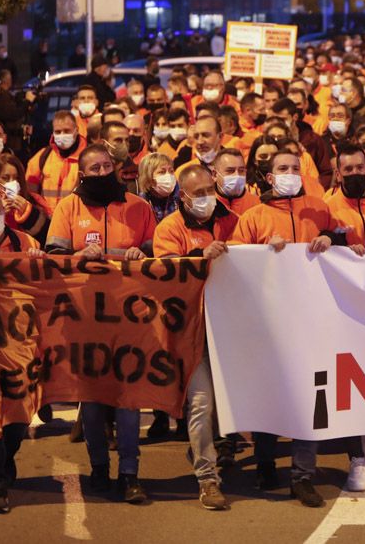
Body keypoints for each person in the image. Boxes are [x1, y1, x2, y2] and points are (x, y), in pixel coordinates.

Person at [230, 150, 365, 505]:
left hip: (313, 321)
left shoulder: (319, 207)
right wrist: (261, 249)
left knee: (310, 398)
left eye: (294, 168)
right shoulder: (253, 217)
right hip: (269, 323)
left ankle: (302, 477)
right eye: (282, 169)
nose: (290, 173)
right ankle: (264, 464)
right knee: (270, 394)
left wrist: (331, 241)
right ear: (269, 176)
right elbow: (234, 262)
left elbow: (347, 243)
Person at [45, 144, 156, 503]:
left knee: (127, 400)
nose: (101, 172)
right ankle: (98, 468)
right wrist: (78, 256)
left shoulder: (139, 208)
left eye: (107, 166)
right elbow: (54, 261)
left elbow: (162, 261)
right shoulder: (68, 207)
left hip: (130, 319)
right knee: (91, 403)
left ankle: (129, 473)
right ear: (82, 172)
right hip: (85, 323)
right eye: (94, 168)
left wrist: (144, 256)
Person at [153, 164, 237, 511]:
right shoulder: (168, 229)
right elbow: (166, 276)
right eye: (197, 193)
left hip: (232, 330)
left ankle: (223, 450)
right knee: (200, 404)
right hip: (192, 333)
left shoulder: (234, 220)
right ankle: (208, 479)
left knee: (227, 401)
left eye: (209, 190)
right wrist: (197, 259)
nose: (206, 198)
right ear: (182, 196)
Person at [0, 188, 45, 514]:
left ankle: (6, 455)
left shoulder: (26, 244)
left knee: (18, 417)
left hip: (20, 347)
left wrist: (40, 266)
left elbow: (48, 288)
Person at [26, 111, 86, 215]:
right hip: (47, 219)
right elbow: (30, 192)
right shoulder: (42, 157)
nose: (62, 135)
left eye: (67, 131)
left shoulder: (87, 158)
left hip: (76, 217)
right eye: (58, 132)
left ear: (76, 130)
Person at [0, 155, 49, 246]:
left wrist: (30, 215)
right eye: (5, 178)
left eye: (16, 178)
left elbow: (49, 238)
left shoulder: (35, 200)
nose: (12, 182)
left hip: (28, 258)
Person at [213, 148, 259, 215]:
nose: (237, 176)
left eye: (241, 171)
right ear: (215, 175)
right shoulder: (205, 206)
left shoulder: (257, 205)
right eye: (230, 171)